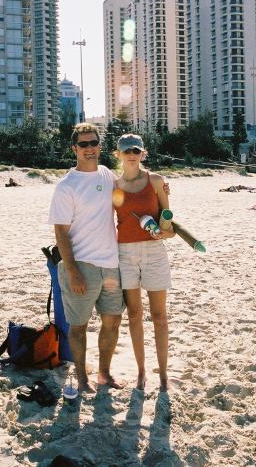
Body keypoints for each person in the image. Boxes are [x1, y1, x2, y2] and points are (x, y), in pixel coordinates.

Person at [48, 123, 125, 393]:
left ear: (99, 146)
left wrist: (160, 187)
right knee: (78, 326)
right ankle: (81, 378)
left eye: (94, 143)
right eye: (84, 145)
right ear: (74, 149)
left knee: (112, 321)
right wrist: (72, 271)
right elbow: (60, 232)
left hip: (111, 266)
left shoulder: (106, 174)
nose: (90, 149)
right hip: (82, 266)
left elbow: (129, 189)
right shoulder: (66, 186)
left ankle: (104, 373)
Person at [112, 134, 175, 391]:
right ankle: (141, 373)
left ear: (143, 153)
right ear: (118, 154)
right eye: (126, 150)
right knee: (135, 315)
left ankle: (163, 375)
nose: (131, 154)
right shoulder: (113, 186)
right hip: (125, 254)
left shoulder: (157, 182)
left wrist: (164, 232)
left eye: (136, 149)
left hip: (154, 252)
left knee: (159, 316)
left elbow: (168, 226)